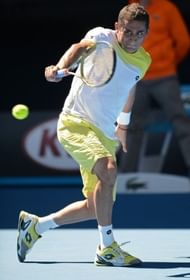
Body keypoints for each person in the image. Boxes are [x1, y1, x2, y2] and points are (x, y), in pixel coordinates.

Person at [17, 3, 151, 267]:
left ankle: (35, 227)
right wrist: (59, 66)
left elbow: (129, 89)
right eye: (128, 31)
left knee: (95, 206)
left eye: (140, 33)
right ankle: (107, 248)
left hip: (103, 133)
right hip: (75, 123)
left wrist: (122, 126)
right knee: (108, 170)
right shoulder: (101, 37)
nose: (133, 38)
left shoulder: (143, 60)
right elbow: (78, 49)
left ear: (146, 34)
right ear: (117, 27)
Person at [120, 0, 190, 175]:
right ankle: (127, 175)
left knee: (180, 121)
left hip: (164, 76)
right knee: (131, 124)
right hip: (136, 76)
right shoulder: (131, 9)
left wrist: (168, 63)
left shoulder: (167, 8)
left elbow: (183, 41)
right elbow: (121, 38)